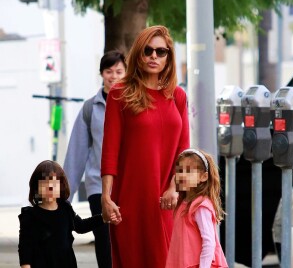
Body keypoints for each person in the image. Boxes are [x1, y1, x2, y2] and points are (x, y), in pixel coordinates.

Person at [101, 25, 190, 268]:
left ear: (168, 57)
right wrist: (106, 197)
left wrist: (174, 187)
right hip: (130, 200)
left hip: (168, 200)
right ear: (138, 54)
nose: (154, 56)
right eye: (148, 50)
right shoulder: (120, 93)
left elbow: (184, 152)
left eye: (161, 52)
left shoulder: (178, 96)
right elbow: (110, 149)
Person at [63, 50, 126, 268]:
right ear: (101, 74)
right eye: (109, 71)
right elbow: (76, 152)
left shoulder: (133, 103)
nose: (114, 76)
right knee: (104, 239)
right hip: (98, 185)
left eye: (119, 71)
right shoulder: (91, 108)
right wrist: (64, 199)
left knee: (126, 240)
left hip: (127, 184)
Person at [18, 160, 105, 268]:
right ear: (36, 187)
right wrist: (26, 266)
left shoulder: (65, 209)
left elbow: (81, 226)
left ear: (61, 186)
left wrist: (103, 217)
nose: (50, 188)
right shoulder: (30, 216)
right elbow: (25, 246)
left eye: (54, 184)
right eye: (45, 184)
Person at [166, 149, 228, 268]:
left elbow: (209, 242)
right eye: (180, 171)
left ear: (204, 177)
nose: (183, 175)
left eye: (189, 171)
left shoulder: (200, 206)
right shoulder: (183, 203)